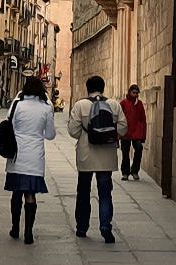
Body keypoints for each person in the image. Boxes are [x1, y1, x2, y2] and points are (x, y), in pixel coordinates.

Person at [67, 75, 127, 243]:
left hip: (86, 155)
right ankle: (105, 226)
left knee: (83, 191)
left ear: (87, 88)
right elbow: (123, 128)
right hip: (107, 156)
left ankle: (82, 227)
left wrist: (87, 135)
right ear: (103, 87)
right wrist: (109, 135)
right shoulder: (114, 105)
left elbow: (73, 131)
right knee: (105, 193)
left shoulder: (80, 105)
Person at [4, 76, 55, 245]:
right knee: (30, 194)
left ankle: (15, 228)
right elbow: (50, 135)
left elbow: (9, 124)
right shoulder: (46, 108)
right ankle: (28, 233)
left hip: (17, 154)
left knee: (16, 192)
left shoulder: (17, 104)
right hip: (35, 156)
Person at [119, 84, 146, 180]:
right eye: (133, 93)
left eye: (137, 93)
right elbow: (119, 118)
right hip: (125, 132)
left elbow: (143, 119)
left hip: (136, 132)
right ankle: (125, 173)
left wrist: (143, 135)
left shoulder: (139, 104)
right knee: (125, 153)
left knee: (139, 149)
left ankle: (134, 170)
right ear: (129, 92)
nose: (135, 95)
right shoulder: (123, 103)